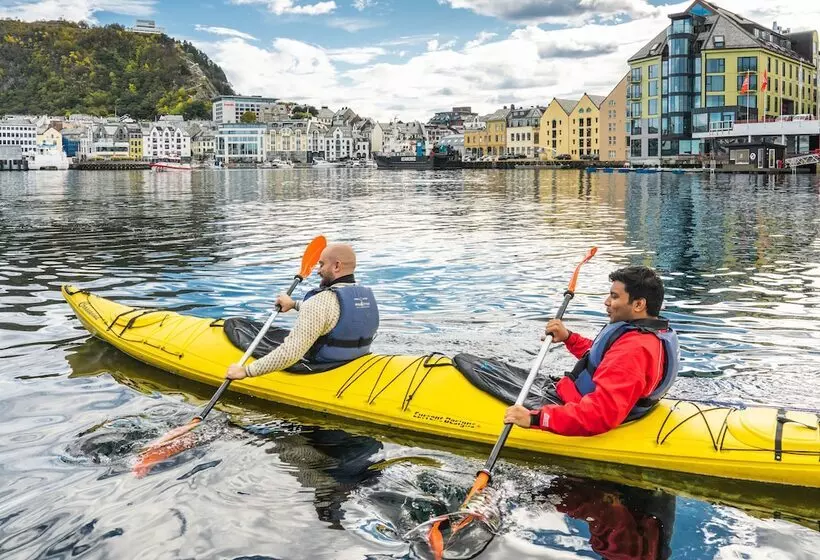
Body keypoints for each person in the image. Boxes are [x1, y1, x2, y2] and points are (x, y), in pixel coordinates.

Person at [504, 266, 680, 436]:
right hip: (584, 397)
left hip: (576, 405)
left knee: (480, 372)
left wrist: (534, 419)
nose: (607, 302)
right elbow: (606, 359)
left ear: (639, 304)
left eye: (614, 296)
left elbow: (599, 415)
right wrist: (569, 338)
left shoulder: (634, 350)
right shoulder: (648, 333)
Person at [225, 243, 379, 379]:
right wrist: (293, 304)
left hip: (323, 366)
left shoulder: (320, 301)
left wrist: (246, 371)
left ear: (336, 266)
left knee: (243, 329)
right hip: (355, 357)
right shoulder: (365, 296)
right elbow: (334, 315)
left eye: (321, 264)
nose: (318, 270)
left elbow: (290, 353)